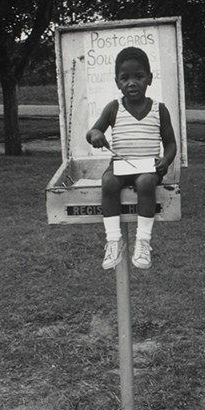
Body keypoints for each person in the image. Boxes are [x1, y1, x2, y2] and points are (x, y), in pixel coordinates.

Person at [84, 46, 177, 270]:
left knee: (145, 182)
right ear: (117, 82)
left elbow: (171, 144)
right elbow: (92, 132)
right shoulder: (113, 108)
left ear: (149, 79)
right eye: (124, 78)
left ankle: (143, 241)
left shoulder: (159, 110)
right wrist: (95, 135)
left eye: (139, 76)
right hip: (120, 166)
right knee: (108, 182)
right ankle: (113, 240)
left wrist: (166, 161)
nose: (131, 83)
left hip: (147, 168)